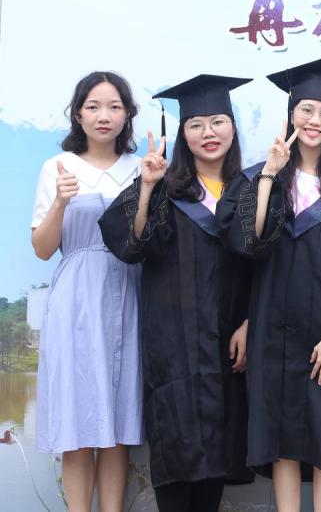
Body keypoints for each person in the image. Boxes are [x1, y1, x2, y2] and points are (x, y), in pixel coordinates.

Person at [218, 56, 321, 512]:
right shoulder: (258, 177)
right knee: (279, 431)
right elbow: (247, 245)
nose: (314, 120)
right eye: (306, 110)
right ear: (291, 113)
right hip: (271, 327)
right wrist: (269, 173)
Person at [98, 75, 254, 512]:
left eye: (218, 122)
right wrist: (147, 186)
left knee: (217, 455)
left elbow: (264, 265)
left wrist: (249, 322)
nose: (208, 133)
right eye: (196, 124)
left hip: (227, 341)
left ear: (233, 128)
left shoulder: (250, 191)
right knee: (176, 449)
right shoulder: (166, 185)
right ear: (183, 133)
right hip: (173, 343)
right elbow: (132, 245)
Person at [31, 71, 143, 512]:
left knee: (117, 424)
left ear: (127, 114)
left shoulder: (140, 168)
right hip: (76, 300)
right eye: (93, 107)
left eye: (114, 106)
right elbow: (43, 249)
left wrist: (152, 186)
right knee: (78, 423)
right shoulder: (57, 167)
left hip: (129, 294)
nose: (103, 116)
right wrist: (60, 201)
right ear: (77, 114)